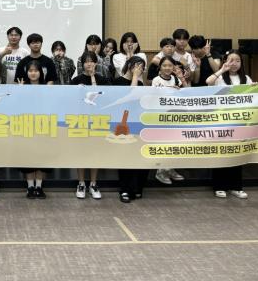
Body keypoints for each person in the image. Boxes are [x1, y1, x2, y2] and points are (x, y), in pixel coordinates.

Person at [206, 50, 252, 199]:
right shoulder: (220, 78)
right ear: (225, 61)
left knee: (237, 154)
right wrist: (222, 69)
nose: (234, 63)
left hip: (239, 123)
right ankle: (219, 186)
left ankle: (236, 187)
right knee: (221, 153)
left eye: (237, 61)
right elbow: (208, 82)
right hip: (221, 122)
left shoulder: (246, 78)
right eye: (231, 60)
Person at [70, 50, 110, 200]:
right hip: (80, 121)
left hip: (98, 121)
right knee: (80, 152)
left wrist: (93, 78)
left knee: (95, 152)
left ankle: (93, 183)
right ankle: (81, 183)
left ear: (96, 63)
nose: (89, 64)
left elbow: (104, 98)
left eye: (91, 61)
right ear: (82, 64)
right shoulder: (76, 80)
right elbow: (71, 100)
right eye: (86, 61)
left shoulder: (102, 79)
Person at [114, 56, 147, 203]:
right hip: (123, 124)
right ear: (129, 65)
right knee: (125, 159)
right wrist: (134, 77)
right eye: (137, 66)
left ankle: (136, 188)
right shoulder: (118, 82)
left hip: (138, 125)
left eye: (142, 67)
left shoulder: (140, 84)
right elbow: (129, 99)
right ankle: (124, 189)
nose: (139, 69)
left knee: (138, 158)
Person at [17, 59, 52, 197]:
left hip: (43, 126)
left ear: (40, 73)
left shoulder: (46, 88)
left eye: (36, 70)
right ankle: (30, 187)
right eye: (30, 70)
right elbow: (17, 106)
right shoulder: (22, 87)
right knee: (28, 156)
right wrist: (19, 91)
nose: (33, 73)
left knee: (41, 157)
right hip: (27, 126)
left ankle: (39, 186)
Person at [151, 56, 186, 185]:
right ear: (160, 67)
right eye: (164, 65)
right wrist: (170, 91)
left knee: (174, 143)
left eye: (170, 65)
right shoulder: (156, 80)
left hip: (175, 116)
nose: (167, 68)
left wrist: (181, 81)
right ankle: (160, 171)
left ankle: (170, 169)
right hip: (161, 116)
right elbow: (154, 96)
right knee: (163, 144)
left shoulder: (176, 79)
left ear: (173, 67)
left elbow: (187, 93)